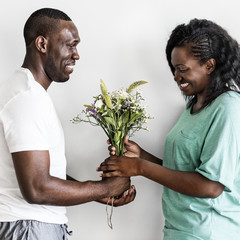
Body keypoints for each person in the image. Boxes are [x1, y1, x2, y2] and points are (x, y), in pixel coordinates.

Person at [97, 18, 240, 240]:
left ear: (209, 65)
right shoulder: (194, 105)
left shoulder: (228, 107)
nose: (176, 77)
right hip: (179, 230)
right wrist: (141, 155)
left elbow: (211, 186)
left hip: (209, 232)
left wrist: (139, 167)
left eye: (182, 69)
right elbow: (184, 173)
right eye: (174, 69)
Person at [0, 8, 136, 240]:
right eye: (70, 45)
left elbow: (43, 171)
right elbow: (37, 188)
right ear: (42, 44)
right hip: (28, 228)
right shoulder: (26, 99)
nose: (76, 55)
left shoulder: (26, 91)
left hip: (31, 226)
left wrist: (96, 194)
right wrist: (106, 188)